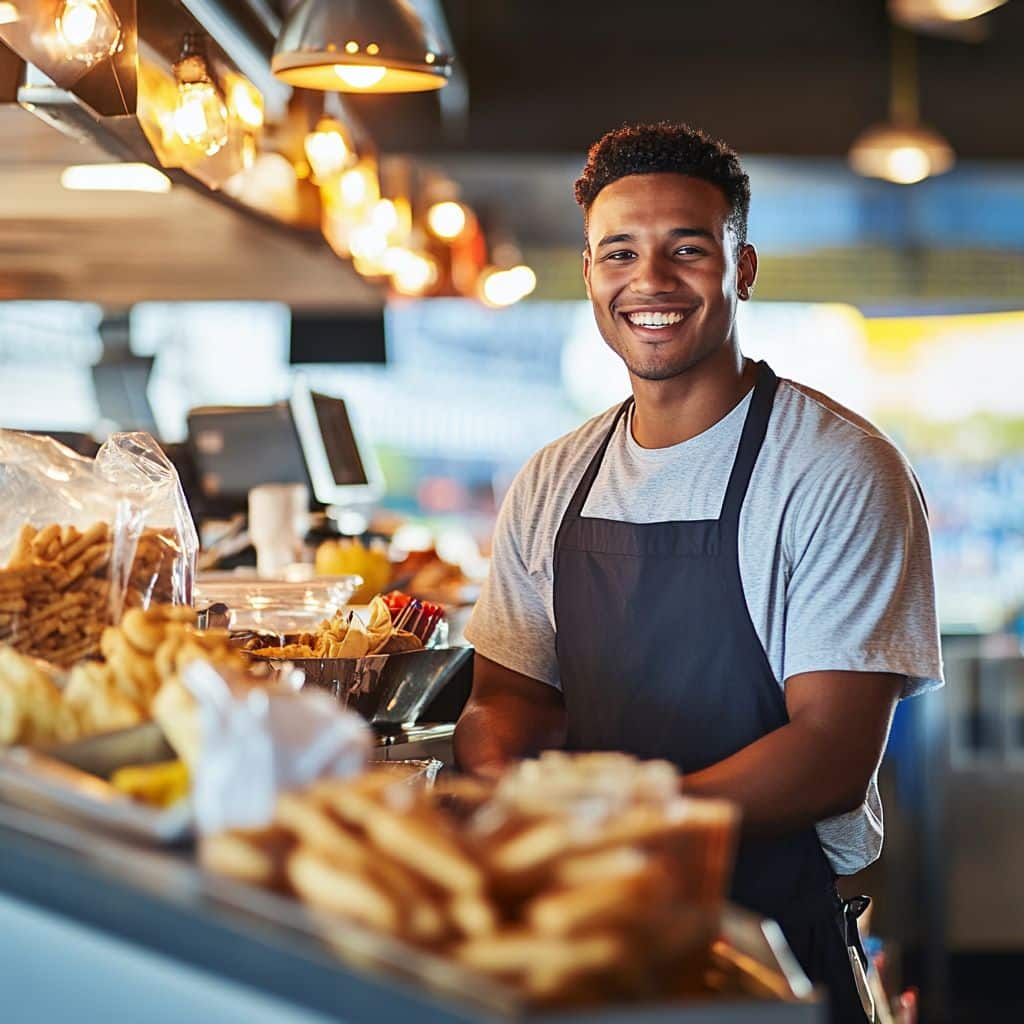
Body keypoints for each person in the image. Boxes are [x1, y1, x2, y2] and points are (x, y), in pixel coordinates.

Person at [455, 121, 943, 1022]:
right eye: (619, 253)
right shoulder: (554, 478)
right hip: (582, 935)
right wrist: (504, 797)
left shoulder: (836, 468)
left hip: (771, 945)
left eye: (687, 249)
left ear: (742, 266)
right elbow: (506, 696)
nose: (650, 281)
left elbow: (831, 753)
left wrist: (622, 826)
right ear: (592, 273)